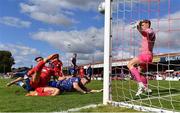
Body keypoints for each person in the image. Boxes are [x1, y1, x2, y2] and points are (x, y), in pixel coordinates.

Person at [127, 19, 156, 96]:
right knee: (139, 73)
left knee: (129, 64)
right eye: (141, 25)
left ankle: (141, 85)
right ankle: (146, 88)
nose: (142, 26)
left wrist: (137, 26)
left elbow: (145, 32)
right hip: (148, 56)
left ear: (148, 24)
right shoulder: (146, 33)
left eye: (143, 25)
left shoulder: (150, 31)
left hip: (145, 55)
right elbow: (143, 33)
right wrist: (138, 27)